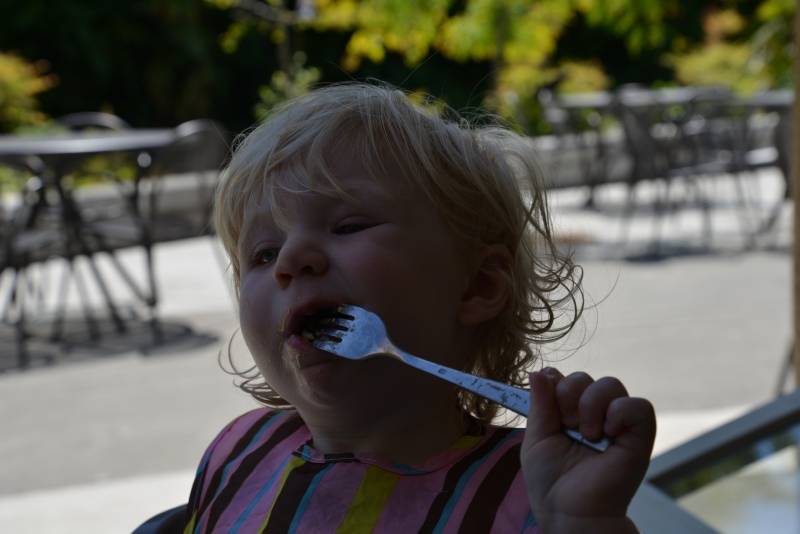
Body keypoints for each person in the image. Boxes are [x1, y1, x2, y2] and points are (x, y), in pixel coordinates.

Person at [185, 83, 656, 533]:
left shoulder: (538, 488)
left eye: (349, 226)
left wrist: (583, 524)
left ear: (478, 286)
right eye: (263, 254)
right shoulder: (238, 454)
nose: (290, 259)